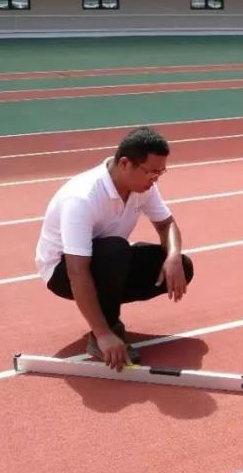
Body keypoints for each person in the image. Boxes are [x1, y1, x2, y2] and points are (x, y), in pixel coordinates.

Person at [34, 126, 194, 371]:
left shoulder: (143, 187)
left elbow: (166, 224)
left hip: (107, 261)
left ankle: (104, 310)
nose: (155, 179)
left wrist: (172, 257)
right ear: (125, 163)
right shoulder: (82, 198)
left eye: (161, 172)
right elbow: (77, 270)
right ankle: (105, 332)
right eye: (151, 172)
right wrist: (103, 333)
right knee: (115, 251)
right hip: (63, 272)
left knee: (183, 266)